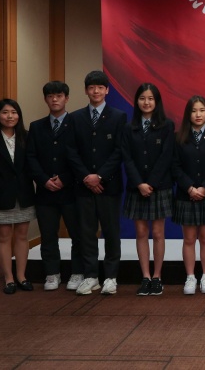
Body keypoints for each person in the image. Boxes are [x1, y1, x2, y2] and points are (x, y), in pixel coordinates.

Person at [69, 70, 127, 296]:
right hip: (83, 186)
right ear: (86, 91)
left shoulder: (118, 116)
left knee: (111, 231)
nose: (96, 91)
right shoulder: (75, 118)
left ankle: (111, 276)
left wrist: (99, 176)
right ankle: (91, 275)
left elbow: (119, 151)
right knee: (86, 232)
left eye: (100, 87)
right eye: (92, 87)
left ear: (107, 90)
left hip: (109, 185)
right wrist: (87, 177)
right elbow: (71, 152)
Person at [25, 81, 83, 291]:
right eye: (50, 96)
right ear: (45, 99)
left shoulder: (77, 123)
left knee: (77, 234)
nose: (55, 99)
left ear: (66, 98)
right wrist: (43, 180)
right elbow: (30, 157)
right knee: (48, 235)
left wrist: (65, 179)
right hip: (45, 191)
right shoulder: (36, 126)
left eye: (59, 96)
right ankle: (52, 273)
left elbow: (81, 156)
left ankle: (77, 272)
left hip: (71, 190)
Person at [122, 83, 175, 296]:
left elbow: (166, 156)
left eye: (151, 98)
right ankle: (144, 276)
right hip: (137, 187)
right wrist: (139, 183)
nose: (146, 102)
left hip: (159, 187)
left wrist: (150, 183)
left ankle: (157, 276)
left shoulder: (167, 125)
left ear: (157, 102)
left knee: (158, 232)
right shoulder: (129, 127)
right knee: (141, 232)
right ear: (137, 101)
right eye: (143, 98)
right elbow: (127, 157)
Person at [0, 99, 36, 294]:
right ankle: (8, 278)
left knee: (22, 236)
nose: (10, 116)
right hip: (0, 194)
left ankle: (21, 276)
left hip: (24, 193)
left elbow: (31, 165)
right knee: (3, 237)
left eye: (13, 112)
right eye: (5, 112)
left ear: (19, 115)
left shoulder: (27, 137)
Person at [172, 95, 205, 295]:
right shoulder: (179, 137)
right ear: (188, 114)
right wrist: (190, 188)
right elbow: (175, 166)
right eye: (194, 111)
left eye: (202, 110)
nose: (198, 114)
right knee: (189, 238)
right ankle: (190, 276)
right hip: (186, 195)